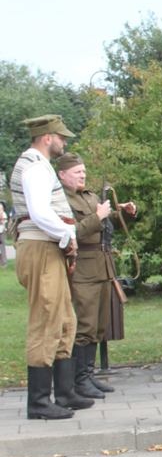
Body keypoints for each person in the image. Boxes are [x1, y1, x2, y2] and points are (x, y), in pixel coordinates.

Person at [11, 115, 90, 419]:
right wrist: (66, 235)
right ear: (47, 137)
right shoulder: (34, 167)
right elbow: (40, 213)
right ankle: (39, 401)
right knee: (46, 320)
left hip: (48, 247)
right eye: (61, 137)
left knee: (64, 319)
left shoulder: (38, 165)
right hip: (42, 247)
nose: (64, 142)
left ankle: (65, 391)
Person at [56, 153, 137, 399]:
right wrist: (99, 216)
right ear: (62, 175)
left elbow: (102, 220)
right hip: (83, 268)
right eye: (76, 172)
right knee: (85, 326)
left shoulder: (89, 196)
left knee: (99, 326)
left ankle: (88, 375)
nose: (82, 175)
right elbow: (72, 232)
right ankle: (79, 381)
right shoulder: (61, 200)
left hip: (103, 267)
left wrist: (122, 211)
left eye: (83, 171)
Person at [0, 200, 8, 267]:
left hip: (1, 231)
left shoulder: (4, 214)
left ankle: (4, 263)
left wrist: (1, 215)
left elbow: (3, 223)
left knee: (2, 247)